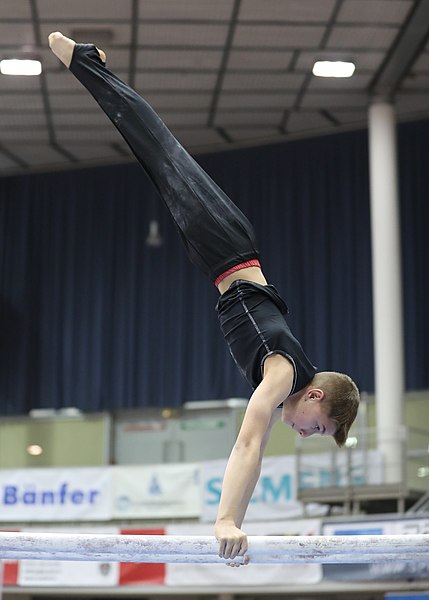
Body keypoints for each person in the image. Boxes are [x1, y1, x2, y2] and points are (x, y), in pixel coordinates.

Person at [48, 32, 360, 563]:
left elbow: (257, 452)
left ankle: (94, 69)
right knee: (156, 145)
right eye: (319, 428)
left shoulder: (284, 373)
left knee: (151, 156)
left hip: (220, 255)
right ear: (314, 398)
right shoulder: (284, 373)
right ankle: (88, 63)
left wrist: (235, 516)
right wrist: (226, 519)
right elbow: (248, 446)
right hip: (227, 245)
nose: (308, 435)